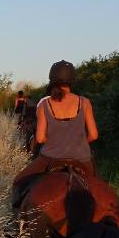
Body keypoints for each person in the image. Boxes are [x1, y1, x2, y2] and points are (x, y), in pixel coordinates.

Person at [13, 60, 98, 189]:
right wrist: (75, 142)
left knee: (18, 182)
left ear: (52, 80)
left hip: (50, 158)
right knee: (99, 189)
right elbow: (93, 135)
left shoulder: (44, 103)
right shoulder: (84, 102)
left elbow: (40, 138)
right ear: (72, 80)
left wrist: (57, 141)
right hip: (82, 159)